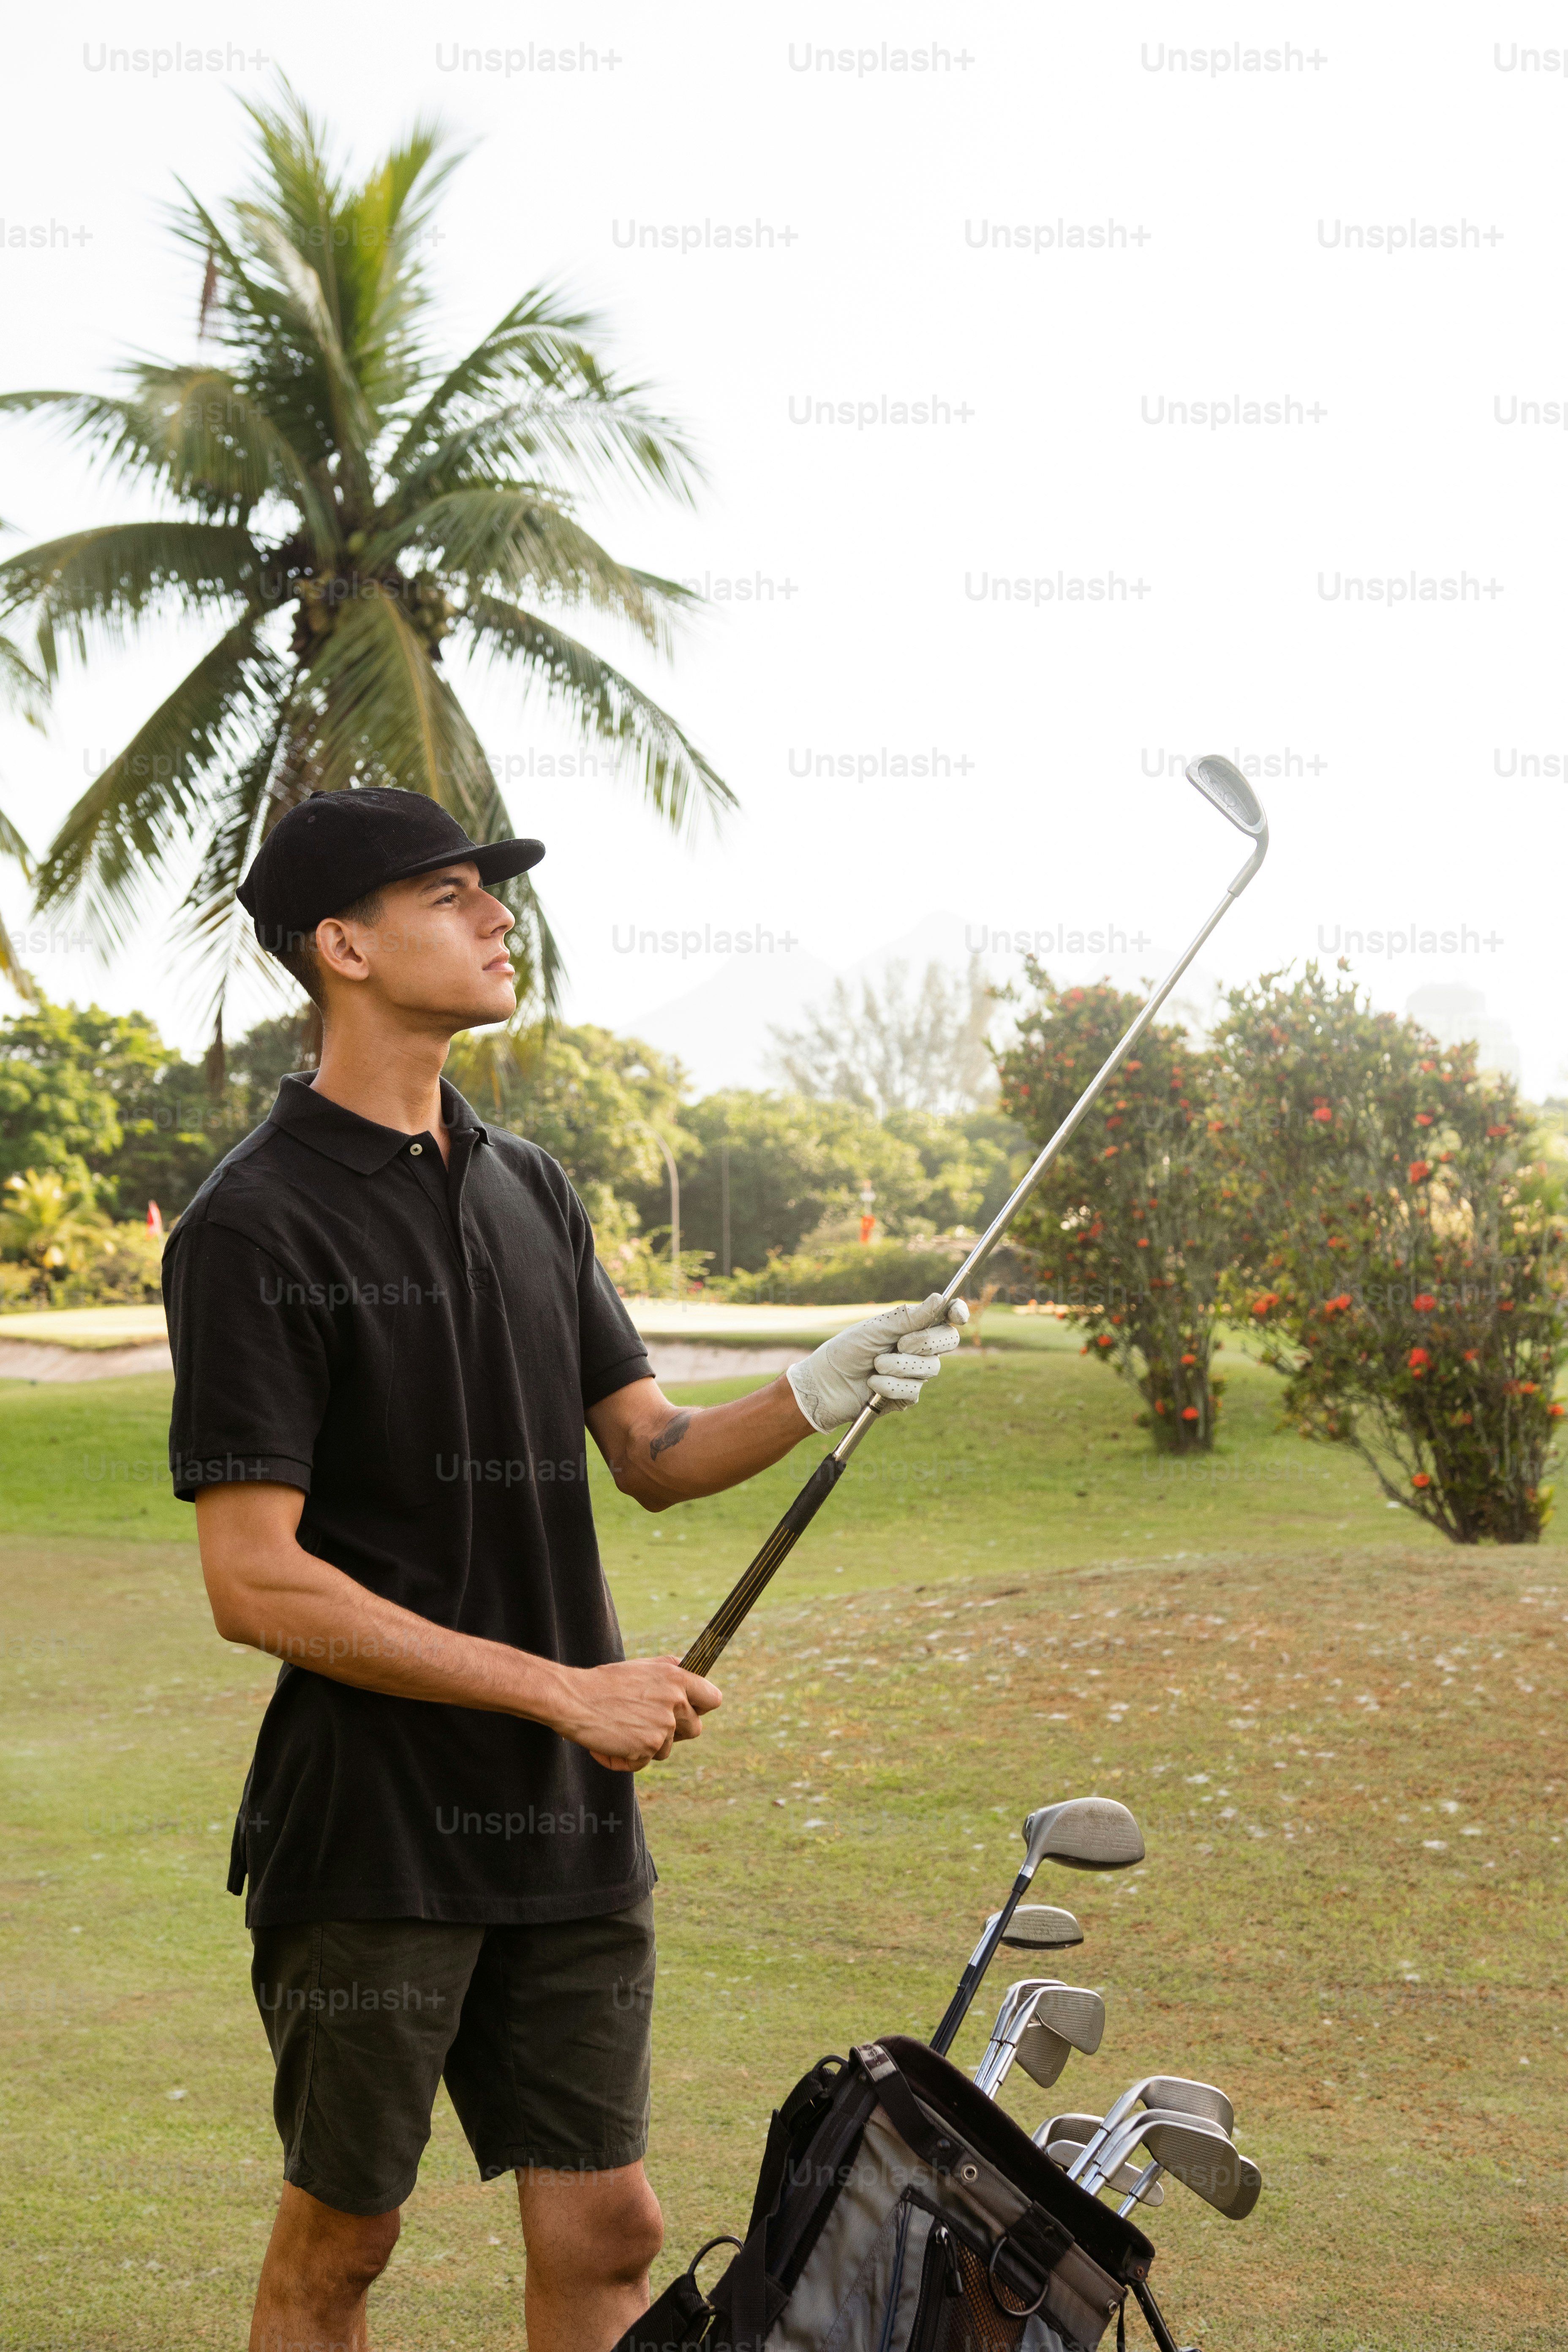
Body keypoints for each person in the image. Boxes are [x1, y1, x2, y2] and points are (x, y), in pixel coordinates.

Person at [163, 786, 966, 2352]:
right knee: (344, 2250)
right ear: (341, 945)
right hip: (378, 1828)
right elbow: (253, 1583)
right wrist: (566, 1692)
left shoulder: (528, 1183)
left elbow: (651, 1454)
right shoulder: (253, 1225)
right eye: (450, 895)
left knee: (612, 2229)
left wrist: (819, 1386)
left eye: (494, 893)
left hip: (562, 1821)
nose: (497, 918)